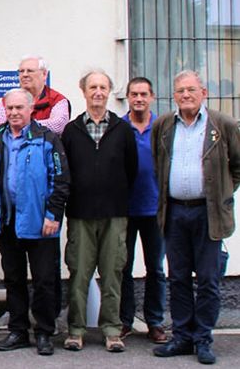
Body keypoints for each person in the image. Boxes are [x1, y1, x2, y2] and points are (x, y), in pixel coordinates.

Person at [151, 70, 240, 365]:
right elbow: (157, 164)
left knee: (208, 280)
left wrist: (222, 192)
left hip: (208, 212)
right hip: (175, 211)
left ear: (204, 92)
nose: (185, 95)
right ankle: (182, 337)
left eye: (191, 90)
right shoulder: (164, 125)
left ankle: (203, 338)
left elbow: (237, 166)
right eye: (180, 91)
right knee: (177, 278)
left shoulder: (222, 124)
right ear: (173, 96)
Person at [0, 88, 70, 356]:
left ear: (31, 110)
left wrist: (53, 215)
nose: (14, 113)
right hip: (6, 223)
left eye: (20, 108)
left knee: (43, 281)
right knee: (14, 279)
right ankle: (17, 330)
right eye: (10, 108)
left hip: (41, 224)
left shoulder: (47, 138)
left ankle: (44, 332)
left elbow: (61, 180)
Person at [60, 71, 138, 353]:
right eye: (93, 87)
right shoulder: (71, 130)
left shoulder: (122, 129)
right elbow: (64, 172)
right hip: (80, 214)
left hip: (114, 214)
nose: (98, 92)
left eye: (103, 87)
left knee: (112, 272)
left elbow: (131, 170)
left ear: (109, 92)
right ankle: (76, 330)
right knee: (79, 274)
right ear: (83, 91)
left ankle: (112, 330)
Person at [118, 77, 167, 343]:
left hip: (155, 208)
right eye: (134, 94)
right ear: (127, 97)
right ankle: (125, 320)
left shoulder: (163, 126)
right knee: (122, 267)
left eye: (143, 94)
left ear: (152, 96)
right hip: (125, 209)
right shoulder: (119, 127)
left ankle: (155, 323)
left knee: (155, 269)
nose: (138, 98)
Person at [0, 55, 71, 135]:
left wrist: (17, 125)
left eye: (30, 71)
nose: (24, 75)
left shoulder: (57, 100)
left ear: (44, 74)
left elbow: (57, 126)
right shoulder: (9, 99)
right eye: (21, 71)